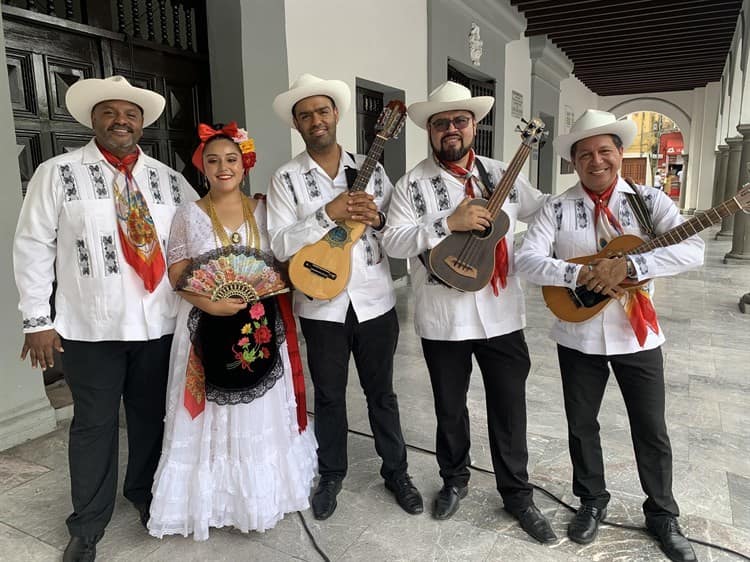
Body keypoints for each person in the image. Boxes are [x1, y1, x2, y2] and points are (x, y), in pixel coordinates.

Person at [13, 75, 197, 562]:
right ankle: (87, 523)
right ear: (93, 120)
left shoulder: (169, 180)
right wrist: (37, 320)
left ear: (142, 123)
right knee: (92, 425)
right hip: (90, 326)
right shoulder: (58, 173)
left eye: (131, 114)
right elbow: (32, 247)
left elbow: (191, 245)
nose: (121, 120)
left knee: (148, 420)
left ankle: (145, 496)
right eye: (111, 112)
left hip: (159, 325)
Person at [515, 109, 703, 562]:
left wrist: (634, 265)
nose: (596, 161)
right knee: (582, 426)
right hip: (577, 335)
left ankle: (662, 514)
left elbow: (692, 250)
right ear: (574, 162)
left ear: (620, 153)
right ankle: (591, 501)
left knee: (651, 429)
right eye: (585, 155)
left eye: (604, 151)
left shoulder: (649, 201)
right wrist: (578, 274)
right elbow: (527, 259)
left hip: (637, 336)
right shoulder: (556, 208)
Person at [381, 81, 555, 544]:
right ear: (430, 131)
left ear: (475, 126)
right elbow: (393, 241)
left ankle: (517, 494)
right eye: (441, 123)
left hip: (501, 313)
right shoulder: (412, 184)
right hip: (443, 317)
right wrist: (447, 223)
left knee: (508, 408)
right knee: (450, 408)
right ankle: (454, 479)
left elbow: (546, 212)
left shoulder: (504, 173)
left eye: (460, 120)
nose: (451, 129)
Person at [147, 122, 317, 541]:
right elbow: (178, 271)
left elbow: (282, 263)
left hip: (259, 326)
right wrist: (211, 303)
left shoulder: (263, 210)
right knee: (214, 412)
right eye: (213, 160)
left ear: (245, 164)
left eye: (231, 159)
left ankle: (260, 496)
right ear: (201, 167)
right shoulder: (189, 213)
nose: (223, 167)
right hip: (205, 325)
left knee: (256, 409)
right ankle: (214, 499)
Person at [267, 73, 422, 520]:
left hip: (375, 299)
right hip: (320, 303)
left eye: (322, 110)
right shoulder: (287, 178)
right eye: (305, 114)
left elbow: (394, 226)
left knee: (382, 394)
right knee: (330, 396)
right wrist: (326, 214)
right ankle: (331, 472)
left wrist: (375, 218)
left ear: (337, 114)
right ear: (297, 124)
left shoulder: (368, 167)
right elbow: (279, 244)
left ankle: (396, 471)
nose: (315, 119)